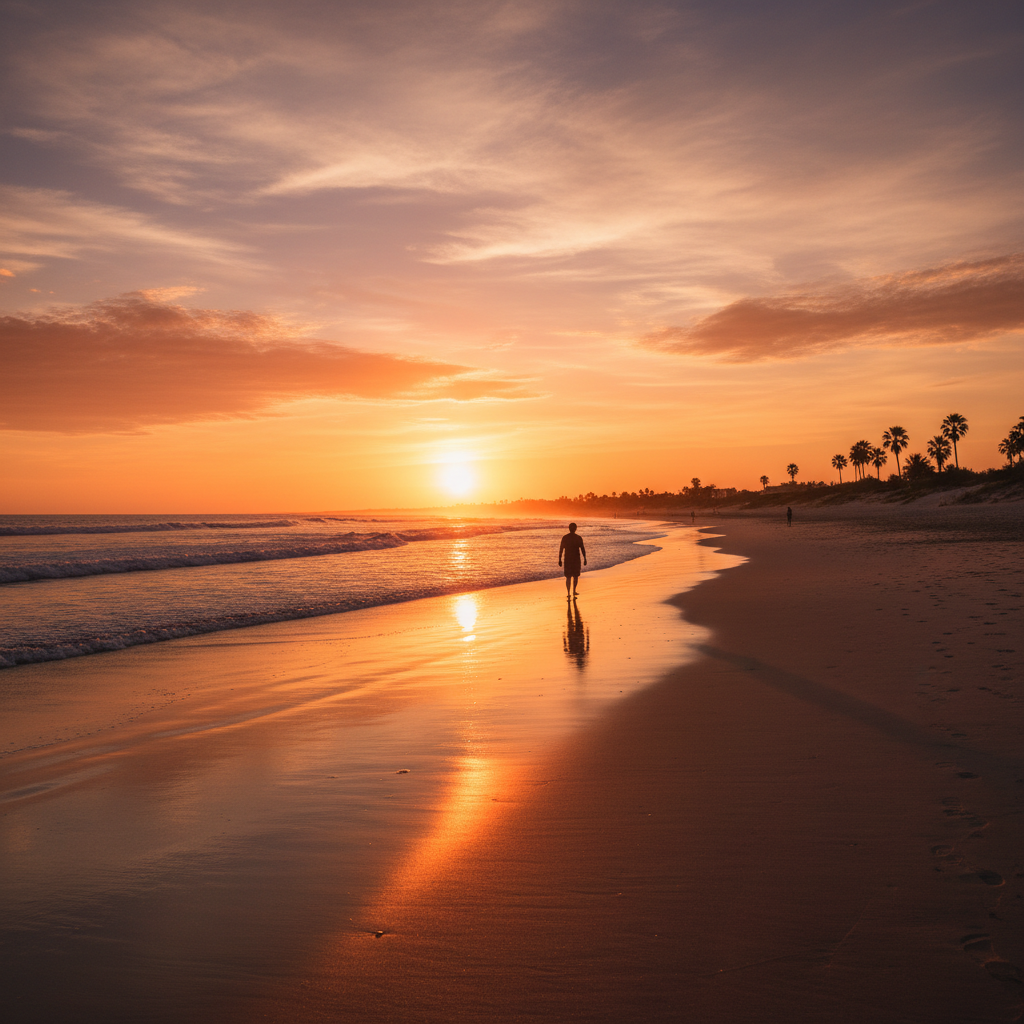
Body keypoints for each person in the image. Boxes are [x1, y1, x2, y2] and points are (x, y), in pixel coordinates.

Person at [558, 522, 587, 599]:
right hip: (576, 559)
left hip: (567, 559)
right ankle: (574, 591)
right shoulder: (578, 537)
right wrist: (585, 558)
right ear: (575, 529)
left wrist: (560, 559)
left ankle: (568, 592)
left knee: (568, 577)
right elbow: (582, 549)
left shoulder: (565, 537)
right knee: (575, 576)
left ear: (569, 528)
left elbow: (561, 549)